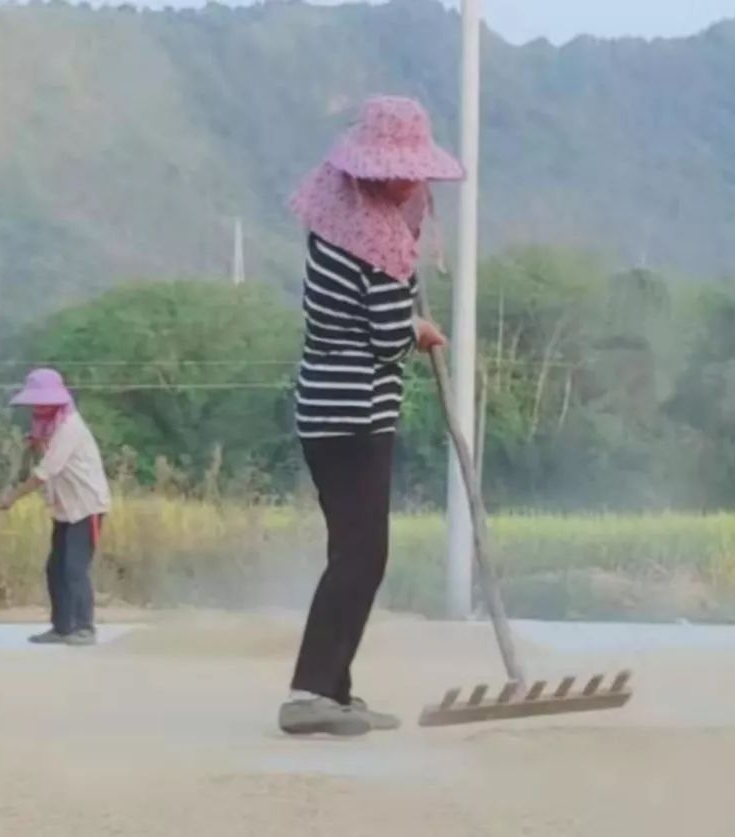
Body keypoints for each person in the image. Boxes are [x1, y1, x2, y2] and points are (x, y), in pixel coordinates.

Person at [278, 96, 462, 736]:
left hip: (322, 407)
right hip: (355, 410)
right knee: (363, 555)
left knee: (350, 550)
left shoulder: (336, 223)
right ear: (381, 171)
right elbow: (386, 334)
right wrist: (421, 328)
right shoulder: (380, 242)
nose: (417, 183)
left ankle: (333, 691)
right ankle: (308, 692)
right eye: (407, 171)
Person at [0, 367, 111, 647]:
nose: (39, 407)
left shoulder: (69, 428)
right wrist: (33, 445)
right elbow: (38, 462)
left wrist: (12, 497)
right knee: (54, 568)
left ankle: (85, 628)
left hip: (86, 507)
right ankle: (62, 627)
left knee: (74, 568)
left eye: (43, 401)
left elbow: (44, 473)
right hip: (64, 508)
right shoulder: (46, 427)